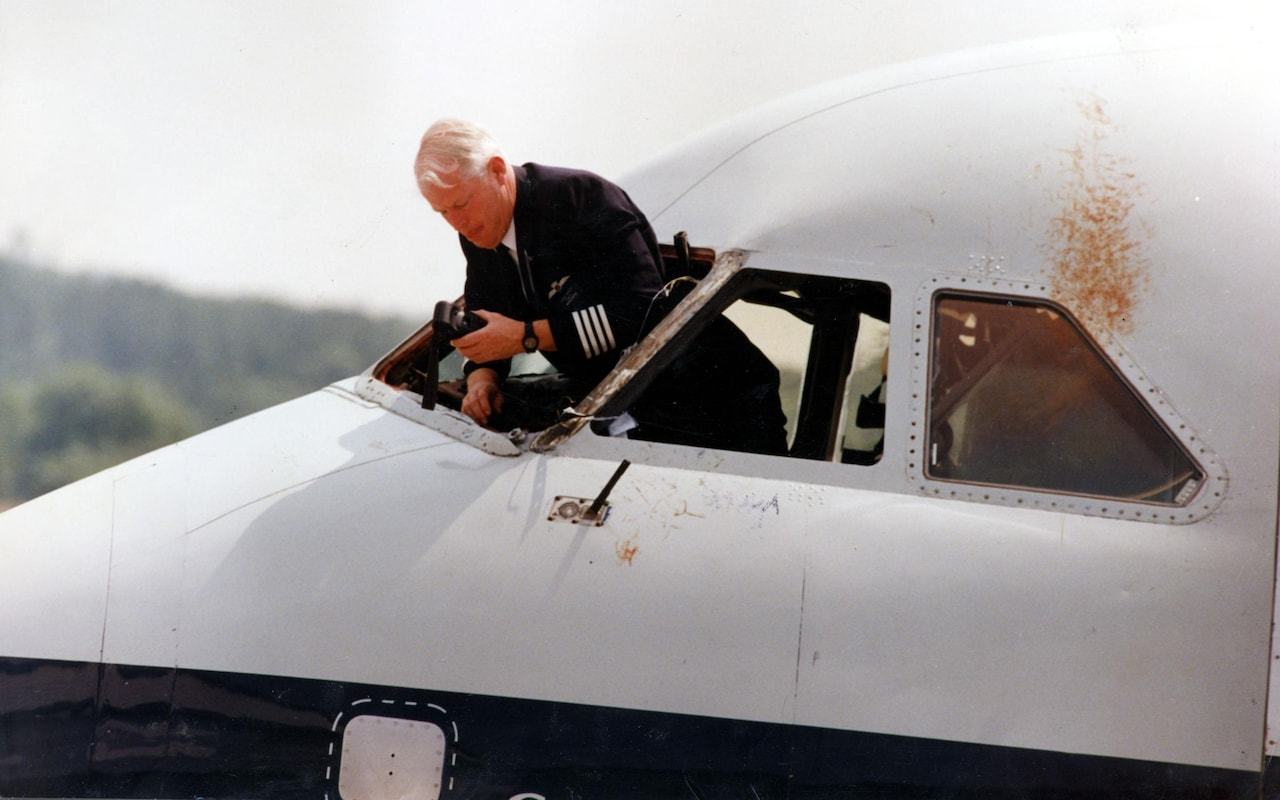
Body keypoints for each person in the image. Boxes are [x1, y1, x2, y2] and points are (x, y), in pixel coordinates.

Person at [413, 118, 786, 456]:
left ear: (497, 171)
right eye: (442, 212)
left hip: (715, 399)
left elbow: (640, 310)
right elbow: (489, 319)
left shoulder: (579, 198)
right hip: (625, 396)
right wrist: (483, 381)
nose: (457, 223)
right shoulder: (481, 232)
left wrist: (526, 337)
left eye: (461, 203)